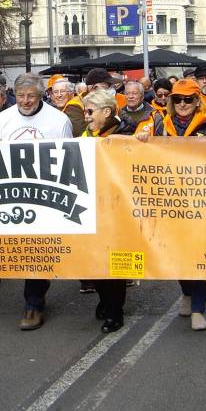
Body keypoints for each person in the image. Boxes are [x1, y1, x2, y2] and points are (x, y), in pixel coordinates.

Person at [136, 78, 206, 330]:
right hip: (168, 202)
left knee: (199, 255)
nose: (183, 103)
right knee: (176, 254)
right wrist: (141, 138)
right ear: (171, 101)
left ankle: (198, 308)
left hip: (201, 203)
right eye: (178, 99)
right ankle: (186, 292)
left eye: (188, 99)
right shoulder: (157, 124)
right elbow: (135, 152)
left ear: (197, 101)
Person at [0, 73, 73, 330]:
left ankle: (33, 304)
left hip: (46, 195)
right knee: (23, 248)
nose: (26, 101)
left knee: (36, 246)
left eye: (31, 96)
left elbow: (69, 158)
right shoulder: (3, 118)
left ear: (41, 96)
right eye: (21, 96)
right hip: (11, 193)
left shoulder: (59, 121)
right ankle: (38, 290)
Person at [78, 89, 128, 332]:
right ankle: (104, 301)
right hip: (91, 207)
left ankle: (114, 311)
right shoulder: (86, 135)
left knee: (114, 262)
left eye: (89, 111)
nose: (86, 116)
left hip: (118, 209)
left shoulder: (126, 133)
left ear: (106, 112)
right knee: (95, 259)